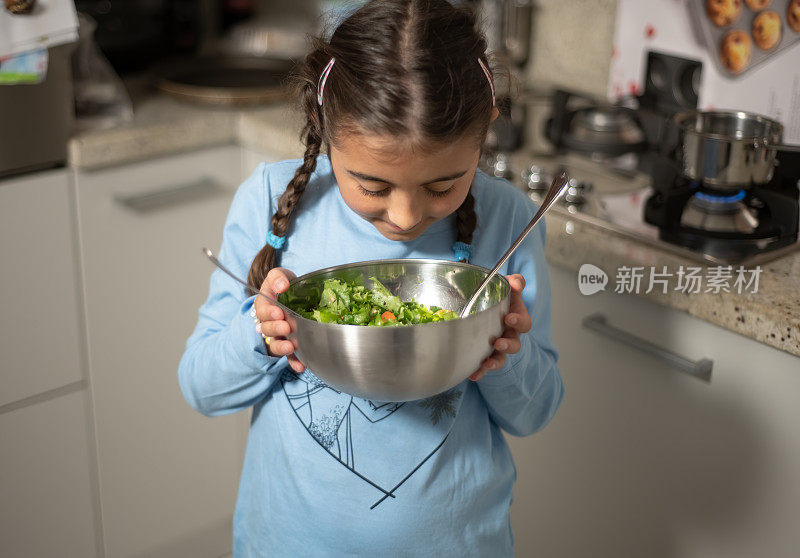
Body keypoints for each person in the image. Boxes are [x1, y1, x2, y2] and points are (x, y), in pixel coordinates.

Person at [178, 0, 564, 555]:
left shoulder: (507, 218)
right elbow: (202, 388)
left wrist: (509, 354)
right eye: (374, 187)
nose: (406, 217)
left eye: (441, 186)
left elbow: (535, 412)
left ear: (482, 138)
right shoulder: (269, 200)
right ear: (325, 130)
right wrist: (258, 335)